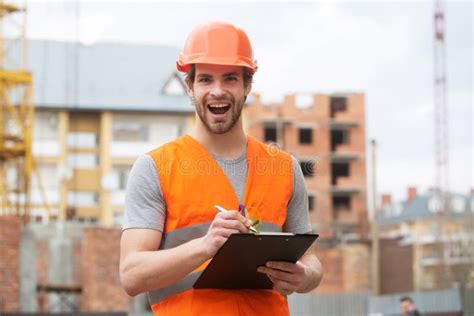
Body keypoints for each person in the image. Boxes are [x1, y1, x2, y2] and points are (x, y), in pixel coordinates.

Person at [119, 21, 323, 315]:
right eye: (205, 80)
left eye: (230, 79)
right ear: (189, 86)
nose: (218, 91)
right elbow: (131, 275)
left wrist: (303, 277)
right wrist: (206, 246)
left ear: (247, 86)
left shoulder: (284, 168)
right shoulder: (156, 168)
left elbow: (313, 263)